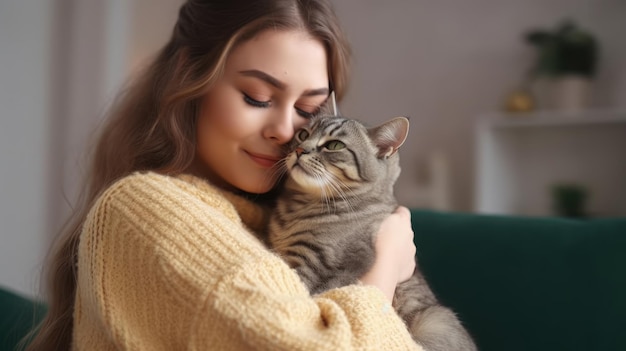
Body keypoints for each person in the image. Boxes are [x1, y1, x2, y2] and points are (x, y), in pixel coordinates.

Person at [26, 0, 419, 350]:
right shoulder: (142, 208)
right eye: (257, 98)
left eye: (307, 110)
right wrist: (385, 267)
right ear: (190, 78)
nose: (286, 132)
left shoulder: (273, 219)